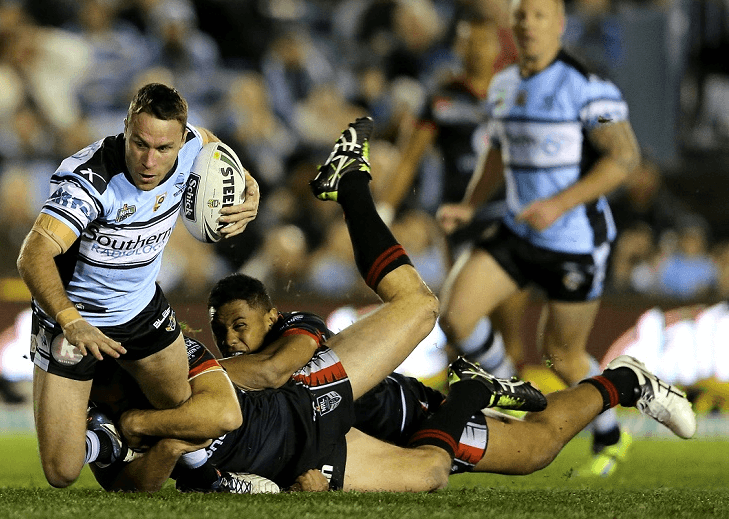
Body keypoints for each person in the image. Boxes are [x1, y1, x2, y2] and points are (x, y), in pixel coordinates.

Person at [85, 118, 694, 494]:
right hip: (322, 441)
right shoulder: (187, 386)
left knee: (520, 435)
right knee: (456, 464)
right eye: (223, 332)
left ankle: (351, 188)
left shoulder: (289, 333)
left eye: (240, 325)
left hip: (348, 402)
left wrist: (161, 419)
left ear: (271, 315)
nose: (232, 339)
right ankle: (600, 383)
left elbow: (267, 377)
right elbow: (220, 462)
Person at [16, 83, 259, 488]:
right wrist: (70, 320)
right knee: (61, 473)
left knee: (188, 416)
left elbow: (217, 150)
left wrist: (249, 186)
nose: (149, 160)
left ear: (182, 140)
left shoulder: (193, 147)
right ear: (126, 127)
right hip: (73, 319)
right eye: (139, 143)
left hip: (140, 310)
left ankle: (120, 440)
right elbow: (33, 255)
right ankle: (99, 432)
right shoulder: (89, 182)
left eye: (163, 149)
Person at [435, 0, 642, 477]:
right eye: (521, 15)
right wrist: (470, 203)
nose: (528, 23)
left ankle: (611, 434)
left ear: (560, 25)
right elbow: (497, 152)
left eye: (540, 15)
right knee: (455, 316)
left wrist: (559, 204)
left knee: (561, 354)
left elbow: (625, 158)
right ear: (512, 24)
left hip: (574, 240)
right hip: (518, 231)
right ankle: (506, 384)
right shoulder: (504, 85)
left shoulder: (589, 89)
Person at [383, 15, 527, 378]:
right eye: (468, 42)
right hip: (460, 221)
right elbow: (408, 159)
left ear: (497, 48)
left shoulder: (516, 96)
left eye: (483, 42)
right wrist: (384, 209)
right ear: (457, 48)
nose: (476, 50)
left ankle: (511, 407)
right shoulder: (442, 99)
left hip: (509, 215)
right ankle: (458, 411)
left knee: (508, 320)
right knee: (460, 318)